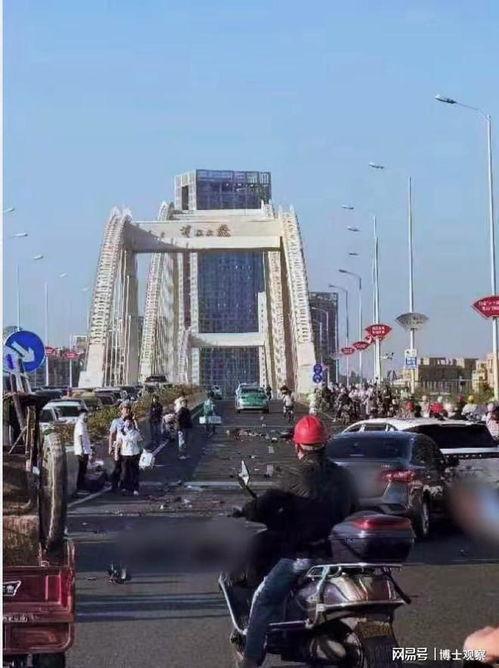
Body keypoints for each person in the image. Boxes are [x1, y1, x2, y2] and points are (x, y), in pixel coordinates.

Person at [237, 415, 357, 668]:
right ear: (325, 443)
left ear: (297, 445)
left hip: (304, 555)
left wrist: (248, 510)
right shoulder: (344, 475)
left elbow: (266, 504)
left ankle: (250, 660)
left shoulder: (294, 474)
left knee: (263, 599)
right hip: (339, 552)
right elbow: (355, 506)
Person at [109, 402, 136, 493]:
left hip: (128, 448)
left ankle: (125, 486)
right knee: (117, 467)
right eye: (125, 409)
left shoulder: (131, 421)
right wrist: (110, 447)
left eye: (128, 408)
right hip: (118, 447)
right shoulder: (116, 421)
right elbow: (111, 435)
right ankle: (114, 485)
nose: (127, 410)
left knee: (127, 468)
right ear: (121, 410)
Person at [117, 417, 143, 496]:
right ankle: (124, 487)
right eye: (126, 421)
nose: (128, 423)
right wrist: (116, 453)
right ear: (124, 423)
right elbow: (119, 443)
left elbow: (140, 441)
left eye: (129, 421)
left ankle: (135, 488)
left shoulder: (136, 432)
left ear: (132, 423)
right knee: (125, 472)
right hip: (124, 454)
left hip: (134, 454)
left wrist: (143, 452)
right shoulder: (121, 432)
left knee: (134, 472)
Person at [74, 408, 92, 493]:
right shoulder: (80, 424)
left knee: (83, 469)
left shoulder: (83, 424)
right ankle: (80, 486)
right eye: (84, 415)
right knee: (82, 469)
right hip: (82, 451)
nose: (86, 417)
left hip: (85, 450)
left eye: (86, 415)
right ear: (80, 415)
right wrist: (81, 449)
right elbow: (80, 437)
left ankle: (82, 486)